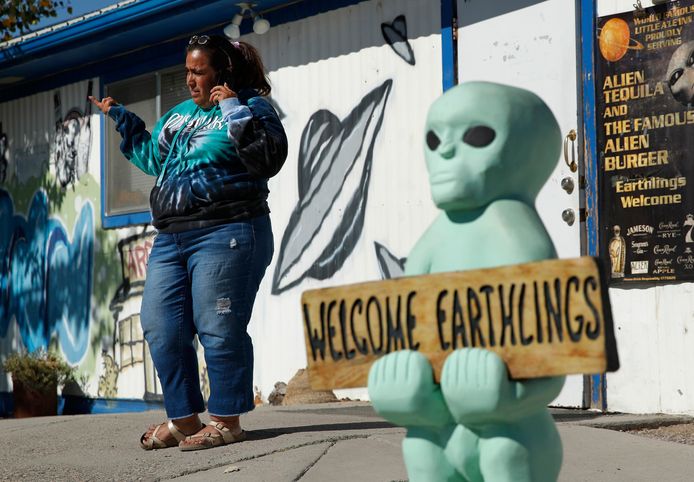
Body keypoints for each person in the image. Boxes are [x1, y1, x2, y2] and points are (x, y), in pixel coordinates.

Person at [90, 34, 287, 451]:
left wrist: (232, 107)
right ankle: (183, 420)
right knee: (160, 326)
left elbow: (268, 158)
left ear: (223, 72)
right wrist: (124, 119)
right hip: (171, 238)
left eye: (198, 72)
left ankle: (227, 421)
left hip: (228, 231)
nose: (190, 80)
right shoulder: (179, 116)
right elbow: (153, 158)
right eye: (186, 72)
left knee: (218, 327)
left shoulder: (253, 108)